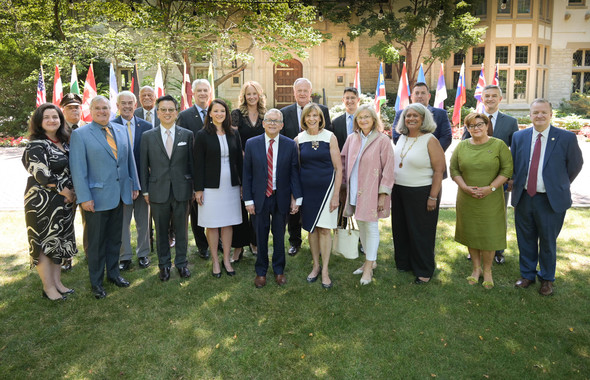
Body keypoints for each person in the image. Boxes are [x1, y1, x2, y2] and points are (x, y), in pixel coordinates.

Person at [70, 96, 140, 299]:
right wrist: (84, 197)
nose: (102, 111)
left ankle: (114, 274)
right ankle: (97, 282)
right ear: (90, 110)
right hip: (96, 199)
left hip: (119, 195)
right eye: (98, 108)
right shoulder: (81, 135)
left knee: (114, 240)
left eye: (105, 108)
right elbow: (78, 169)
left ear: (111, 109)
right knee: (97, 243)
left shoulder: (119, 130)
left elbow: (129, 161)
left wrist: (134, 184)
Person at [511, 99, 583, 296]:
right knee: (525, 238)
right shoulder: (519, 137)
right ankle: (527, 275)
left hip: (550, 200)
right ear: (530, 114)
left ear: (551, 114)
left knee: (548, 241)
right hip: (524, 197)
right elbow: (515, 164)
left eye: (544, 112)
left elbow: (575, 165)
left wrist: (557, 185)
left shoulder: (566, 138)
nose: (539, 116)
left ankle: (547, 279)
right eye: (535, 112)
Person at [450, 113, 513, 289]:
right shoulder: (462, 146)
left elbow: (507, 169)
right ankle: (476, 269)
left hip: (491, 199)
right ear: (467, 128)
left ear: (487, 125)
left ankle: (487, 271)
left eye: (479, 124)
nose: (476, 128)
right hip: (467, 197)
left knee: (489, 234)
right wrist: (464, 187)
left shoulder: (499, 145)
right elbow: (454, 169)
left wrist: (491, 188)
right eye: (471, 126)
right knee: (472, 232)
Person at [23, 103, 77, 301]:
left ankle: (58, 283)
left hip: (63, 201)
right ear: (39, 121)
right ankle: (48, 288)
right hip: (42, 201)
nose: (52, 120)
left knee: (59, 241)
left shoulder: (64, 141)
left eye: (55, 117)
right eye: (47, 117)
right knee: (44, 242)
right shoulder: (36, 144)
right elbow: (41, 173)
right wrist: (65, 190)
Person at [243, 109, 303, 288]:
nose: (272, 123)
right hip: (259, 198)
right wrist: (248, 200)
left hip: (280, 197)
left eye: (276, 121)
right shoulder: (251, 144)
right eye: (269, 120)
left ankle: (279, 270)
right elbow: (247, 174)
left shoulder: (289, 144)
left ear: (282, 125)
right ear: (263, 123)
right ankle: (261, 271)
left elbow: (294, 173)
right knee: (260, 236)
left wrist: (296, 198)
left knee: (279, 235)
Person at [462, 85, 519, 264]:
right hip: (475, 177)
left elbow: (515, 152)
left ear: (500, 99)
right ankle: (475, 249)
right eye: (487, 96)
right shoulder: (473, 119)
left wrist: (511, 177)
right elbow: (465, 145)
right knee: (475, 214)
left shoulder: (510, 122)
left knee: (497, 215)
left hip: (500, 178)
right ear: (482, 98)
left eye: (494, 96)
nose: (490, 99)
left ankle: (498, 250)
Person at [140, 95, 194, 281]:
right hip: (157, 191)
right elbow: (143, 166)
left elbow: (191, 164)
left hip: (182, 190)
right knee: (161, 230)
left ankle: (181, 264)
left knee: (181, 230)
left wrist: (193, 188)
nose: (167, 113)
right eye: (163, 110)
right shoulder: (147, 137)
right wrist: (145, 190)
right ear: (158, 112)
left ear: (176, 112)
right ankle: (163, 265)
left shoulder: (186, 135)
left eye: (171, 109)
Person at [340, 105, 395, 285]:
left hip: (372, 191)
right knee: (362, 225)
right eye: (360, 117)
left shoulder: (382, 140)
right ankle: (369, 261)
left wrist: (383, 195)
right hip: (355, 190)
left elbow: (389, 169)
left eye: (367, 117)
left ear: (373, 119)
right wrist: (342, 187)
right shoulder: (351, 139)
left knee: (371, 227)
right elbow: (342, 161)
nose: (363, 120)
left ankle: (369, 268)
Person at [392, 103, 445, 284]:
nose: (411, 119)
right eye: (408, 116)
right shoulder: (402, 137)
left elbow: (439, 171)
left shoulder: (430, 140)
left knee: (421, 232)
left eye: (415, 116)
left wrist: (433, 196)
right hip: (399, 191)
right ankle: (405, 262)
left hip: (422, 192)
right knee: (401, 229)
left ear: (423, 119)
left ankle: (424, 270)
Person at [280, 78, 332, 256]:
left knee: (316, 206)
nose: (302, 93)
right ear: (294, 92)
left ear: (311, 92)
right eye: (299, 90)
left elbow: (328, 135)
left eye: (305, 90)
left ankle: (318, 241)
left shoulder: (322, 110)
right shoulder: (284, 113)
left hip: (317, 171)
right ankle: (294, 241)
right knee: (294, 208)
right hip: (293, 168)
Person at [194, 99, 243, 278]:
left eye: (223, 111)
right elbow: (197, 164)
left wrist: (243, 183)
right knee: (213, 224)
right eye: (216, 111)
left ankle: (227, 260)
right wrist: (198, 189)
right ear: (210, 114)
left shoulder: (233, 134)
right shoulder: (202, 135)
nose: (219, 114)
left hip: (231, 186)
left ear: (227, 113)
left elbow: (240, 161)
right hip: (210, 187)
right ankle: (215, 260)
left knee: (228, 223)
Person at [295, 103, 342, 288]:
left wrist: (336, 194)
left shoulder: (330, 137)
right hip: (308, 192)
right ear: (304, 119)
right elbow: (296, 169)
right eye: (308, 116)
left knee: (324, 230)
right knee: (312, 229)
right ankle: (315, 266)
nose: (312, 119)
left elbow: (338, 168)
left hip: (327, 190)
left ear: (321, 118)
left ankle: (325, 271)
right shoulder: (298, 139)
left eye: (315, 115)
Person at [114, 91, 152, 271]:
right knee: (123, 222)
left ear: (135, 105)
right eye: (124, 103)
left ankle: (143, 253)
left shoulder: (146, 126)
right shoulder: (110, 126)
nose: (127, 106)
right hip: (120, 183)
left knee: (143, 221)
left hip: (144, 181)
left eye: (130, 103)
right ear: (118, 106)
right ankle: (125, 256)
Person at [230, 81, 266, 261]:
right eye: (248, 94)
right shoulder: (236, 114)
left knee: (257, 206)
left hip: (261, 165)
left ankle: (254, 241)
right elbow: (234, 138)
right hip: (241, 164)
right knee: (240, 206)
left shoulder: (265, 114)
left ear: (259, 95)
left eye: (254, 93)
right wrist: (243, 154)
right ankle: (238, 246)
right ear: (243, 96)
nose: (251, 97)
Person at [177, 79, 212, 260]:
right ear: (193, 93)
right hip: (194, 171)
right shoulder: (185, 115)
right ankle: (202, 245)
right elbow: (182, 147)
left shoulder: (216, 113)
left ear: (210, 92)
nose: (202, 93)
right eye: (199, 90)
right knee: (197, 211)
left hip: (214, 171)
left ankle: (216, 241)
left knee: (213, 208)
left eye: (205, 90)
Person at [59, 92, 86, 271]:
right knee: (65, 222)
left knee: (89, 221)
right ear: (63, 110)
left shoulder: (87, 128)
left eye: (76, 107)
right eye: (70, 107)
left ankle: (91, 253)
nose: (74, 110)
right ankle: (65, 257)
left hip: (85, 184)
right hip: (67, 186)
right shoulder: (57, 130)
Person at [391, 82, 452, 152]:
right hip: (408, 155)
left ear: (429, 96)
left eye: (423, 93)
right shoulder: (401, 114)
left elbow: (446, 137)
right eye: (416, 93)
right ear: (411, 97)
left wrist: (432, 153)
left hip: (432, 157)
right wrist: (414, 152)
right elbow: (396, 137)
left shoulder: (441, 114)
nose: (420, 96)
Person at [332, 87, 361, 151]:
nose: (350, 101)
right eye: (347, 98)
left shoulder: (364, 121)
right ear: (343, 100)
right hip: (343, 159)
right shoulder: (336, 123)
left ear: (358, 100)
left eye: (353, 98)